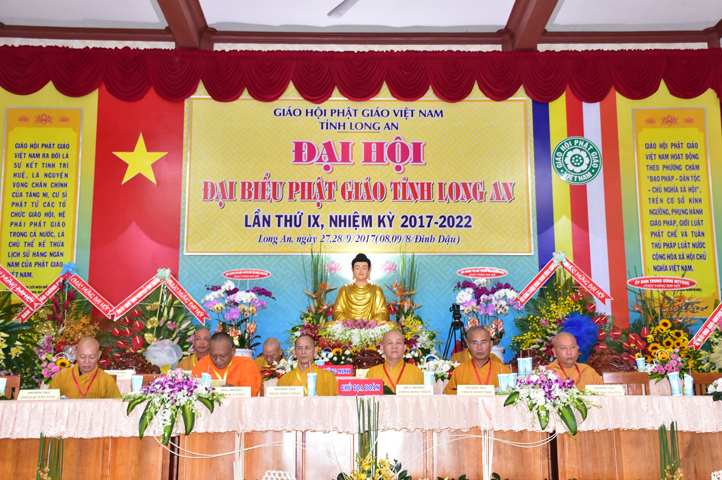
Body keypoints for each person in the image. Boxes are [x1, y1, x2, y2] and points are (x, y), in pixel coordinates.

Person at [330, 253, 395, 326]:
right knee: (329, 325)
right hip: (348, 326)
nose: (361, 271)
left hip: (371, 326)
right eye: (357, 268)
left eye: (364, 268)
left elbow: (383, 313)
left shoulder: (377, 290)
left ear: (369, 270)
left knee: (393, 325)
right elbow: (337, 312)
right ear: (352, 270)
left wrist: (370, 323)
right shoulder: (344, 289)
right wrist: (349, 322)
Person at [192, 332, 262, 396]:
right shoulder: (203, 364)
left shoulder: (245, 364)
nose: (218, 360)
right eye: (213, 356)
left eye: (222, 356)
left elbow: (251, 394)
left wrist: (234, 391)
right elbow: (193, 391)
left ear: (232, 351)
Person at [444, 327, 510, 394]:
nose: (479, 347)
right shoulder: (459, 371)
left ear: (490, 344)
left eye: (483, 342)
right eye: (475, 343)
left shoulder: (503, 371)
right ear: (468, 345)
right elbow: (449, 396)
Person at [49, 337, 121, 399]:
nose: (87, 361)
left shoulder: (107, 380)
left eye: (92, 357)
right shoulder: (62, 376)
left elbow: (117, 406)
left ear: (99, 355)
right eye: (82, 357)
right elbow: (49, 404)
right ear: (75, 354)